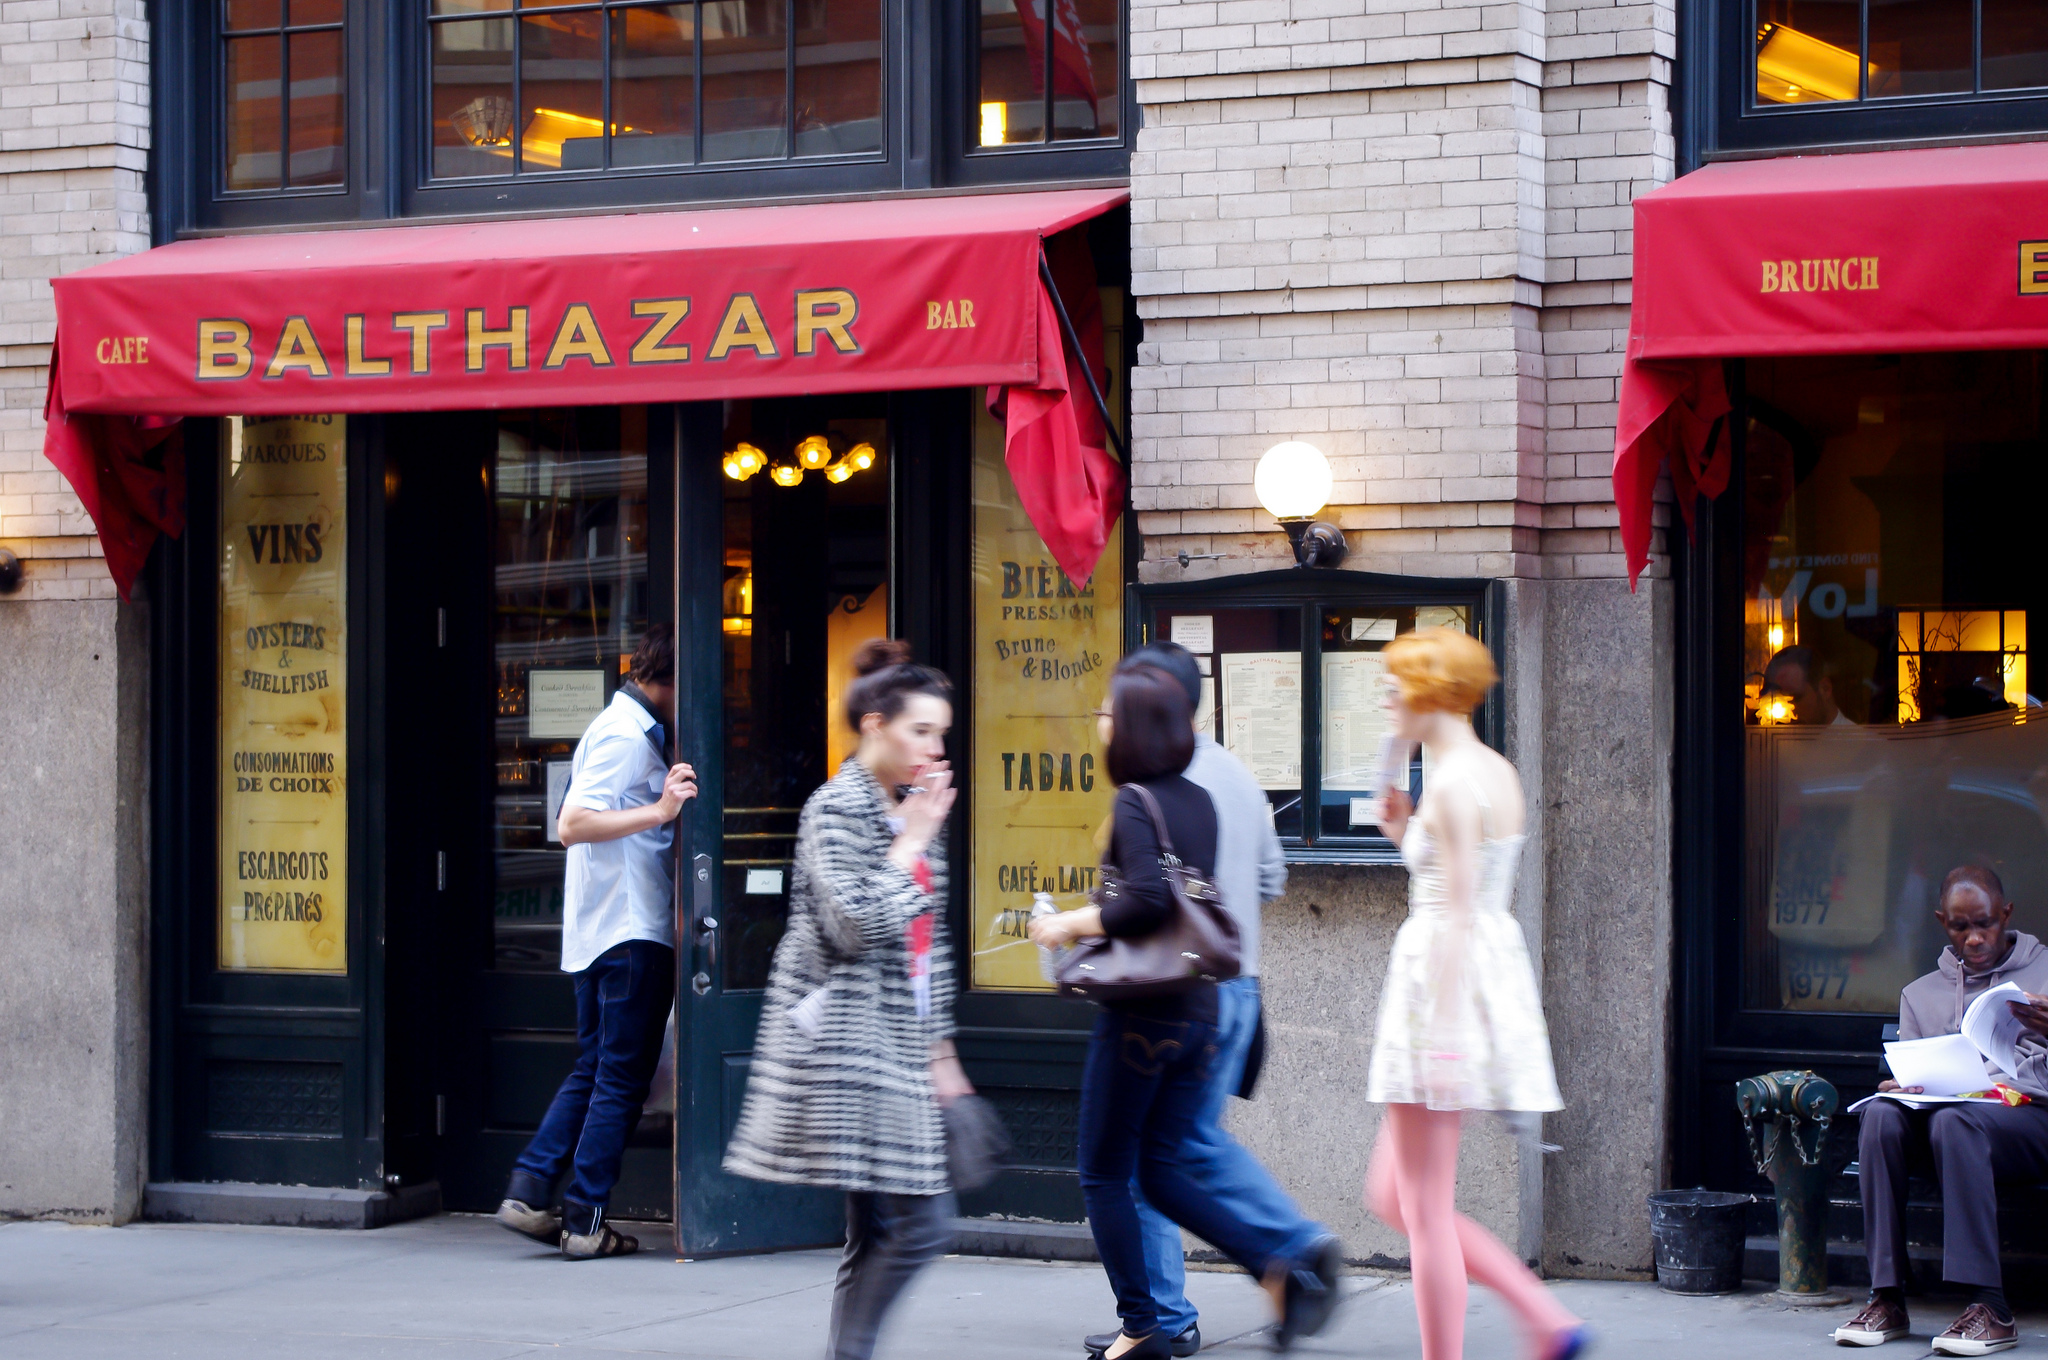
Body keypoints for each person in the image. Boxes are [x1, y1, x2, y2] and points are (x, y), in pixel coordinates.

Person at [1030, 660, 1342, 1360]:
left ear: (1133, 726)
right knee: (1167, 1164)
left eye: (1107, 714)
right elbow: (1257, 882)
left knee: (1105, 1171)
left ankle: (1144, 1325)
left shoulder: (1138, 799)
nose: (1101, 724)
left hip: (1144, 1012)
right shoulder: (1201, 794)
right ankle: (1280, 1268)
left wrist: (1068, 925)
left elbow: (1144, 900)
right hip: (1202, 1005)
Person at [724, 638, 970, 1360]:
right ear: (874, 727)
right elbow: (852, 925)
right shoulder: (836, 807)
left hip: (900, 1046)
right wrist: (910, 843)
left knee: (883, 1228)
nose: (934, 745)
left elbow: (933, 939)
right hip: (849, 1050)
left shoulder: (912, 808)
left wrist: (943, 1048)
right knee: (919, 1223)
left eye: (941, 732)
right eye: (920, 730)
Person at [1361, 628, 1585, 1360]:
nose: (1387, 698)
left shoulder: (1455, 783)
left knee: (1419, 1207)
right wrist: (1404, 834)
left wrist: (1445, 1040)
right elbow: (1466, 892)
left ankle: (1479, 1343)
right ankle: (1544, 1319)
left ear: (1430, 692)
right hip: (1468, 972)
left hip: (1440, 985)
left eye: (1396, 685)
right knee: (1396, 1196)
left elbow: (1454, 914)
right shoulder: (1490, 770)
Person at [496, 624, 698, 1259]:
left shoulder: (621, 727)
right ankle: (584, 1220)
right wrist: (661, 812)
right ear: (667, 681)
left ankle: (530, 1189)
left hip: (603, 931)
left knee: (599, 1069)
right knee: (620, 1078)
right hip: (627, 929)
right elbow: (571, 824)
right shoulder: (621, 735)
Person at [1835, 865, 2048, 1355]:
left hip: (2029, 1124)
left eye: (1986, 923)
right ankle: (1886, 1297)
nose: (1975, 938)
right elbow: (1918, 1078)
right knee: (1882, 1115)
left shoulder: (2042, 974)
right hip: (1949, 1128)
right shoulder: (1920, 994)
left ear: (2006, 914)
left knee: (1957, 1120)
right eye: (1960, 927)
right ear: (1941, 922)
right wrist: (1902, 1084)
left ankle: (1991, 1307)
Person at [1765, 645, 1856, 726]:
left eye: (1796, 698)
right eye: (1779, 701)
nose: (1788, 712)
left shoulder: (1857, 743)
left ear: (1825, 689)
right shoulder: (1778, 743)